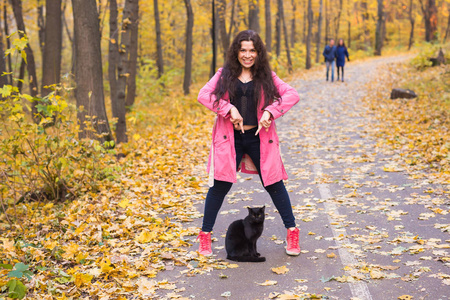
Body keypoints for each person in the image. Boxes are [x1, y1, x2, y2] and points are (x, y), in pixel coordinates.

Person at [197, 30, 301, 257]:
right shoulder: (224, 75)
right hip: (230, 139)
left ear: (258, 52)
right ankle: (205, 236)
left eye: (252, 50)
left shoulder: (267, 76)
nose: (247, 55)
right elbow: (203, 95)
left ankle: (292, 232)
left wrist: (271, 112)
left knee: (274, 184)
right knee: (219, 186)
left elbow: (292, 94)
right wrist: (228, 108)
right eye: (243, 50)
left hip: (259, 139)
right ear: (236, 51)